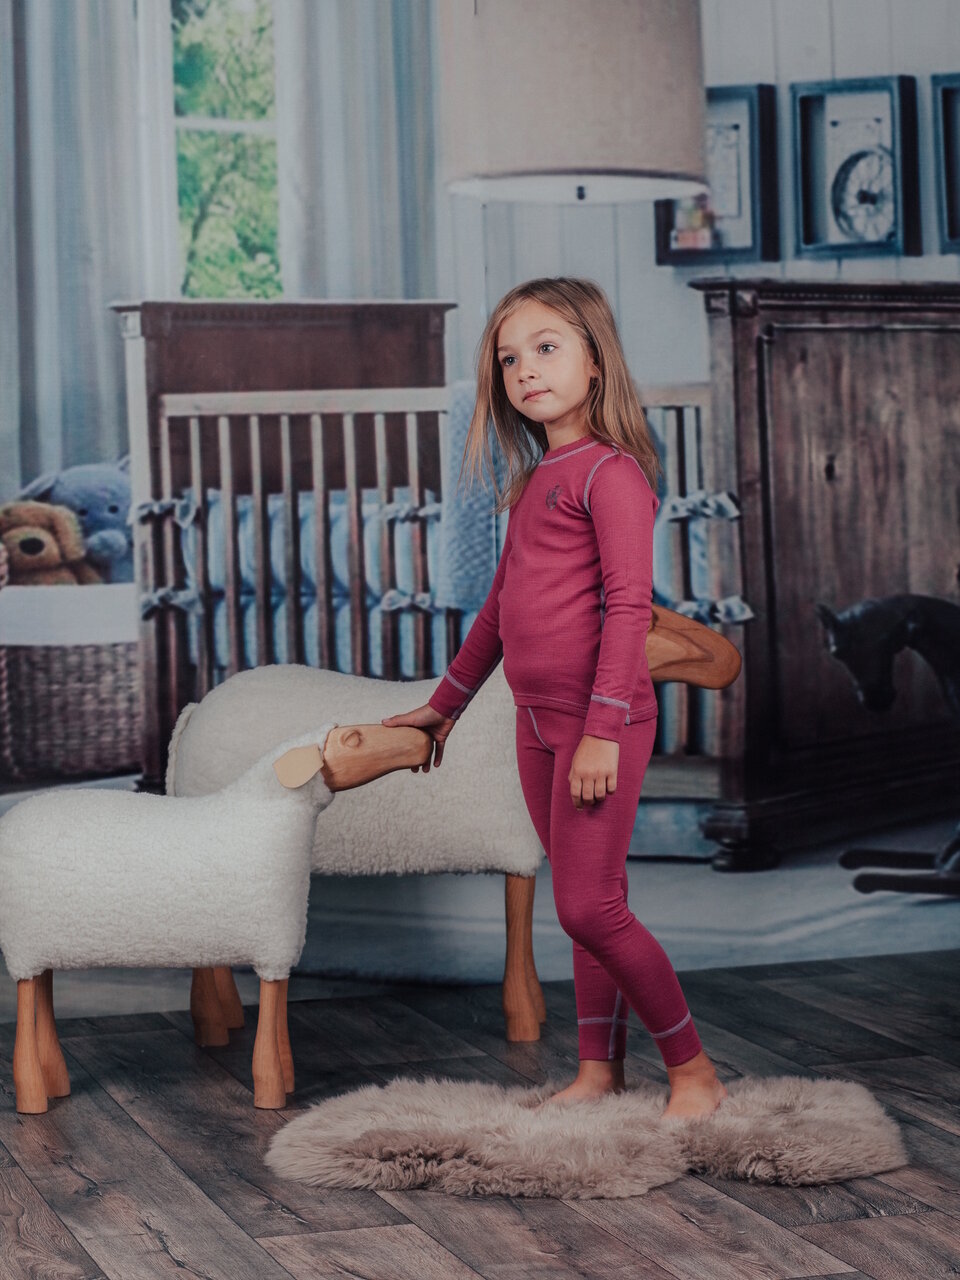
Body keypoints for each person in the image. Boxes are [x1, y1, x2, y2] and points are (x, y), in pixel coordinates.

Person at [381, 277, 727, 1121]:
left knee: (588, 906)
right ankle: (598, 1071)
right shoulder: (537, 478)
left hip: (596, 724)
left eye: (546, 348)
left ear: (595, 361)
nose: (525, 370)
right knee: (588, 905)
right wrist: (443, 706)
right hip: (535, 722)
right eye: (509, 359)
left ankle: (694, 1072)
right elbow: (499, 610)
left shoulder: (611, 474)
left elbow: (630, 608)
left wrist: (602, 730)